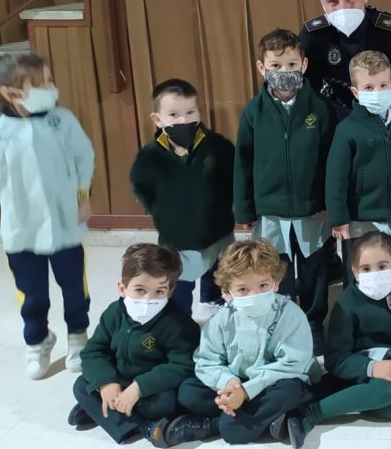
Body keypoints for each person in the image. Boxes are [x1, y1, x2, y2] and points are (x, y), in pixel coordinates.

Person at [0, 52, 95, 380]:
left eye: (50, 80)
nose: (51, 88)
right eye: (42, 83)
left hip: (64, 223)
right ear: (10, 93)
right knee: (32, 291)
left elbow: (84, 156)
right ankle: (38, 338)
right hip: (21, 227)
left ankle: (78, 336)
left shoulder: (63, 120)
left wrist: (83, 195)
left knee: (73, 285)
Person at [234, 28, 337, 354]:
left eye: (291, 64)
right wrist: (244, 210)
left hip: (311, 209)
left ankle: (312, 323)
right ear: (262, 68)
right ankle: (278, 321)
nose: (284, 72)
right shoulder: (253, 111)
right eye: (276, 65)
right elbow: (243, 162)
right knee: (273, 268)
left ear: (304, 65)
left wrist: (326, 202)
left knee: (313, 270)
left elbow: (328, 159)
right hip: (270, 210)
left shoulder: (319, 108)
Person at [169, 240, 318, 446]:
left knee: (289, 391)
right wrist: (227, 382)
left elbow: (292, 364)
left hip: (272, 383)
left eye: (263, 286)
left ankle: (212, 426)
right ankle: (266, 419)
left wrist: (247, 391)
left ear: (276, 282)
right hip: (235, 380)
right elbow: (206, 361)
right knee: (188, 391)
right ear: (227, 293)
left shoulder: (291, 315)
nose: (254, 295)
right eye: (243, 289)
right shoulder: (222, 319)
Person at [291, 232, 391, 446]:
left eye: (382, 266)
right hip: (366, 370)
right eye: (366, 269)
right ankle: (311, 413)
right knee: (384, 391)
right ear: (355, 272)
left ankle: (350, 397)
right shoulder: (347, 303)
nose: (374, 273)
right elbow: (335, 358)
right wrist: (371, 368)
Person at [68, 244, 200, 447]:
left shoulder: (178, 323)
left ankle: (104, 414)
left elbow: (182, 364)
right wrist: (106, 383)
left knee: (163, 404)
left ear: (170, 291)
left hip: (151, 388)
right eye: (140, 290)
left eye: (159, 291)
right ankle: (137, 425)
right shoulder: (114, 313)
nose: (148, 299)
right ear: (122, 288)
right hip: (118, 378)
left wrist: (139, 388)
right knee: (81, 386)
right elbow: (94, 351)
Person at [130, 79, 235, 315]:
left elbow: (232, 178)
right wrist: (163, 211)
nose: (184, 120)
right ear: (157, 119)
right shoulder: (150, 158)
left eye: (190, 112)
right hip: (177, 237)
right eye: (174, 114)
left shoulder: (218, 147)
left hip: (218, 229)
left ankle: (211, 299)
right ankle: (180, 319)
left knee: (218, 268)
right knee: (179, 282)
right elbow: (141, 186)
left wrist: (224, 206)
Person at [325, 50, 391, 285]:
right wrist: (338, 218)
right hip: (359, 220)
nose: (377, 92)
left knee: (390, 273)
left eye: (383, 85)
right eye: (369, 88)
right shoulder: (347, 129)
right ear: (355, 91)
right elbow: (336, 178)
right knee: (360, 277)